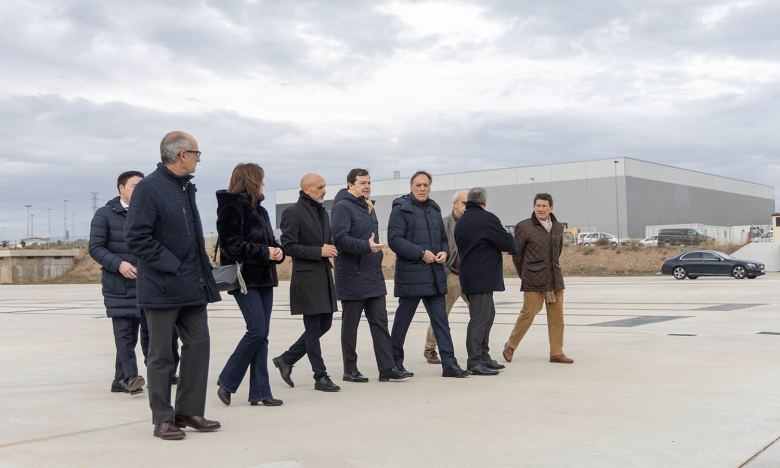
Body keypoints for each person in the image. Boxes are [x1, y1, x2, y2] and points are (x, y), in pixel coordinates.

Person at [126, 131, 222, 440]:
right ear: (181, 155)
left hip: (193, 287)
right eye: (196, 153)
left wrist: (202, 271)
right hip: (162, 288)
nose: (198, 159)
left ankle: (188, 411)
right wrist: (173, 265)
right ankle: (163, 419)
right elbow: (138, 237)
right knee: (162, 356)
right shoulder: (150, 189)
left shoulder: (185, 188)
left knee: (198, 347)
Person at [387, 171, 469, 379]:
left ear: (430, 187)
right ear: (411, 186)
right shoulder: (401, 209)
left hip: (434, 275)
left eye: (425, 185)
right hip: (412, 276)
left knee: (442, 322)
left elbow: (443, 238)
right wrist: (420, 253)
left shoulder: (434, 209)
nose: (422, 188)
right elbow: (394, 240)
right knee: (402, 323)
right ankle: (393, 364)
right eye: (418, 185)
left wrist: (444, 252)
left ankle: (449, 364)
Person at [215, 163, 285, 407]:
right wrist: (265, 252)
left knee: (262, 334)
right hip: (244, 279)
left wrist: (277, 252)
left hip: (264, 278)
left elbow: (272, 242)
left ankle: (260, 392)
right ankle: (227, 380)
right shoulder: (231, 206)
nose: (264, 183)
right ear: (251, 180)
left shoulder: (261, 210)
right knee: (256, 330)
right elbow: (231, 246)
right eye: (261, 179)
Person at [331, 169, 407, 383]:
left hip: (372, 274)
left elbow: (371, 238)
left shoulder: (368, 206)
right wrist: (366, 247)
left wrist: (376, 251)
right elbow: (340, 239)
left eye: (369, 183)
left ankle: (387, 368)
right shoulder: (342, 207)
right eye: (362, 182)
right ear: (350, 185)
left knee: (380, 323)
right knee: (351, 326)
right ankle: (350, 369)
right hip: (352, 276)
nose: (366, 186)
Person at [272, 173, 340, 392]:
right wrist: (319, 251)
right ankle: (320, 376)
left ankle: (286, 358)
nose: (324, 190)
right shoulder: (292, 213)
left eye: (325, 186)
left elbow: (327, 241)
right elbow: (288, 246)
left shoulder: (323, 213)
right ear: (307, 189)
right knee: (312, 328)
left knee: (325, 324)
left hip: (323, 276)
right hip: (306, 277)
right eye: (321, 187)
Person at [89, 170, 146, 395]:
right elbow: (95, 248)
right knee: (124, 333)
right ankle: (131, 377)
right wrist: (119, 264)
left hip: (143, 284)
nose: (139, 190)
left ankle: (119, 379)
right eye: (134, 186)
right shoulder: (104, 214)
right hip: (118, 285)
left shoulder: (145, 213)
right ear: (121, 188)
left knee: (132, 335)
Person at [503, 193, 574, 365]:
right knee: (529, 313)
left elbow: (557, 252)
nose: (541, 209)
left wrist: (552, 268)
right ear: (533, 206)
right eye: (538, 205)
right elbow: (517, 255)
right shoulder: (524, 227)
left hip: (554, 279)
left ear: (551, 208)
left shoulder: (557, 227)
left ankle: (556, 352)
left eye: (544, 206)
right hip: (533, 278)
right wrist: (525, 275)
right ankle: (510, 346)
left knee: (557, 317)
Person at [454, 187, 517, 375]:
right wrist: (510, 241)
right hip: (482, 277)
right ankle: (475, 361)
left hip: (469, 275)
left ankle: (483, 356)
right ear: (484, 202)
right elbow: (506, 242)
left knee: (487, 316)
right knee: (480, 319)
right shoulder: (487, 218)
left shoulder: (462, 221)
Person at [423, 190, 468, 365]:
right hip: (451, 275)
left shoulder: (472, 223)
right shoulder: (443, 224)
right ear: (455, 204)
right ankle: (430, 348)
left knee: (482, 313)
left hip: (470, 277)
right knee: (441, 315)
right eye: (464, 203)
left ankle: (479, 349)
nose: (467, 206)